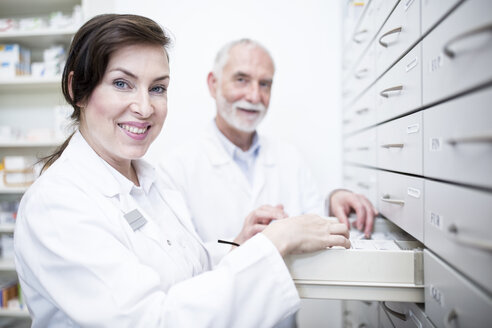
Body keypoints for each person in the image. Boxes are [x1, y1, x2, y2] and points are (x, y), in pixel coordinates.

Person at [13, 14, 352, 328]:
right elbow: (153, 320)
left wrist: (241, 245)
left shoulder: (149, 181)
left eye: (157, 88)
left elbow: (188, 269)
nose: (145, 107)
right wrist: (277, 241)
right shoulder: (58, 205)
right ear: (77, 90)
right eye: (122, 83)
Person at [158, 39, 378, 266]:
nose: (254, 96)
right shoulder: (175, 168)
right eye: (241, 80)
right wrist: (238, 244)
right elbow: (179, 260)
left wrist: (332, 201)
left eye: (264, 84)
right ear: (213, 84)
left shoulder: (289, 157)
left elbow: (313, 220)